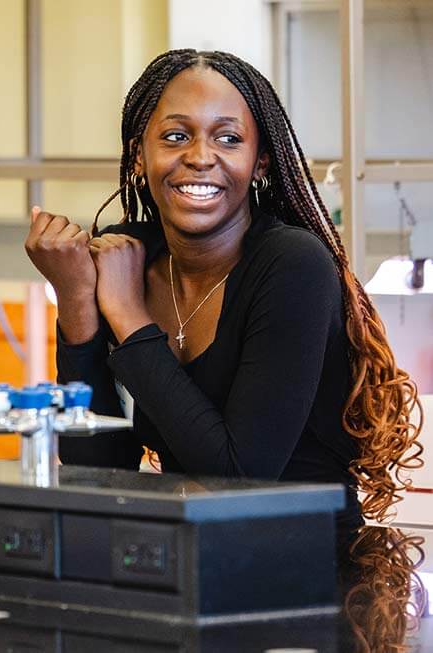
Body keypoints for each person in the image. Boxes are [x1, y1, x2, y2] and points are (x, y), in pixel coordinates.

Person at [26, 49, 423, 645]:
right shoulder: (127, 257)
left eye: (228, 138)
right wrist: (78, 303)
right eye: (176, 135)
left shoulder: (291, 265)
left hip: (307, 593)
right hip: (186, 577)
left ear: (260, 160)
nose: (200, 157)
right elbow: (101, 469)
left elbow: (241, 474)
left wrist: (130, 318)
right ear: (140, 153)